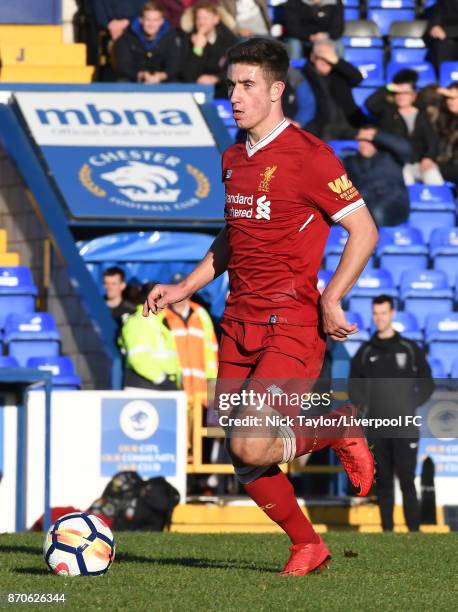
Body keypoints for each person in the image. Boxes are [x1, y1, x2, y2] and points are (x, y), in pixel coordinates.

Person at [144, 37, 377, 576]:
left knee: (252, 444)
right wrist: (184, 286)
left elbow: (363, 230)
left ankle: (338, 426)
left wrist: (332, 296)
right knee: (242, 454)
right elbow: (234, 236)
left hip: (291, 322)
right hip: (238, 322)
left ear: (276, 91)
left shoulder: (311, 156)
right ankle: (308, 546)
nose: (235, 96)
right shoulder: (232, 157)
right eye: (232, 85)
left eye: (247, 85)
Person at [349, 295, 434, 532]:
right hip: (377, 427)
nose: (379, 318)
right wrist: (365, 406)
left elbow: (427, 383)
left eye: (384, 313)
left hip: (405, 425)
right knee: (384, 481)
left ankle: (414, 533)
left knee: (407, 480)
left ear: (392, 314)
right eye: (375, 313)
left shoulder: (409, 348)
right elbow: (353, 386)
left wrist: (410, 404)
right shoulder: (365, 352)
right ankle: (387, 532)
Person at [365, 69, 444, 186]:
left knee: (434, 178)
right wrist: (390, 87)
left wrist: (428, 158)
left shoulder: (422, 114)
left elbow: (432, 141)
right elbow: (370, 104)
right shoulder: (388, 112)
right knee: (405, 181)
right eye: (398, 93)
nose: (401, 96)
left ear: (413, 96)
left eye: (406, 93)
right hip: (396, 163)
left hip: (420, 162)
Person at [162, 273, 218, 407]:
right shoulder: (162, 316)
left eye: (182, 288)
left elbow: (212, 349)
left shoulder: (201, 315)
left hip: (201, 393)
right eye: (175, 288)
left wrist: (213, 383)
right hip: (175, 391)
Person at [344, 127, 411, 227]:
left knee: (377, 212)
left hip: (394, 204)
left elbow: (406, 149)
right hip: (365, 204)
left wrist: (376, 135)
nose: (364, 144)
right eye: (361, 141)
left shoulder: (390, 157)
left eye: (368, 141)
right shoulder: (351, 161)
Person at [120, 283, 180, 390]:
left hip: (158, 385)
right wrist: (162, 380)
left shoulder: (158, 321)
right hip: (145, 386)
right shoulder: (140, 321)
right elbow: (138, 358)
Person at [301, 39, 366, 140]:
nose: (325, 62)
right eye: (321, 57)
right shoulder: (304, 75)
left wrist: (336, 62)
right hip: (320, 126)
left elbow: (357, 78)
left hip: (348, 123)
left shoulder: (340, 73)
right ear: (313, 57)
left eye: (329, 58)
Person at [179, 0, 238, 97]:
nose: (201, 22)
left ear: (216, 19)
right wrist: (197, 49)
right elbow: (187, 76)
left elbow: (235, 67)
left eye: (205, 18)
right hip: (197, 91)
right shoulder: (188, 39)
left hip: (224, 90)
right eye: (198, 19)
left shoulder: (228, 39)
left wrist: (216, 78)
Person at [112, 1, 181, 83]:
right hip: (134, 80)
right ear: (141, 20)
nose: (151, 24)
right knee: (121, 83)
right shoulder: (127, 38)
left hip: (163, 80)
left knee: (176, 84)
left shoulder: (171, 37)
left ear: (161, 21)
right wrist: (142, 75)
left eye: (155, 20)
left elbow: (174, 66)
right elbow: (123, 67)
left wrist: (160, 76)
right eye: (148, 20)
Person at [424, 0, 458, 74]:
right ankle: (444, 81)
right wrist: (434, 28)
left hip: (451, 34)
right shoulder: (445, 2)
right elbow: (435, 20)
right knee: (442, 45)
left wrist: (447, 32)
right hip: (449, 42)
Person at [434, 83, 458, 185]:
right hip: (443, 165)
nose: (450, 101)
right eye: (448, 98)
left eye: (454, 98)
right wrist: (439, 91)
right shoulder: (441, 119)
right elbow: (422, 102)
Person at [103, 266, 136, 331]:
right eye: (106, 283)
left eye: (113, 284)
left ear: (123, 285)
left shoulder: (131, 310)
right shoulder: (96, 307)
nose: (109, 287)